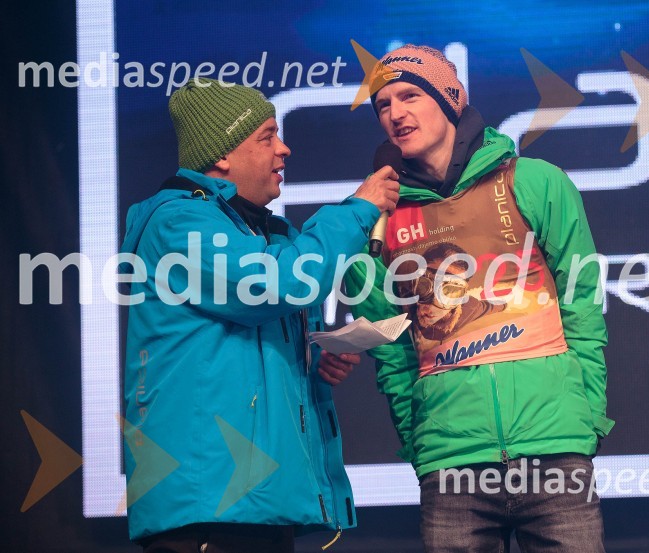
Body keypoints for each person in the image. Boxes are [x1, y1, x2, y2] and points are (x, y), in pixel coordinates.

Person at [345, 45, 613, 552]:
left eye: (409, 95)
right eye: (382, 105)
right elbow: (387, 343)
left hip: (554, 446)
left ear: (450, 98)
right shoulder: (378, 221)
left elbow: (583, 301)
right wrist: (420, 434)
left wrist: (585, 415)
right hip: (450, 458)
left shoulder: (534, 181)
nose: (395, 113)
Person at [121, 77, 399, 552]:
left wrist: (314, 362)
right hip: (207, 505)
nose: (285, 149)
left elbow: (240, 350)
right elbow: (274, 286)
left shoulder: (264, 233)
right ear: (223, 155)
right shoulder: (178, 222)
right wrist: (358, 211)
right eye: (268, 136)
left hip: (253, 502)